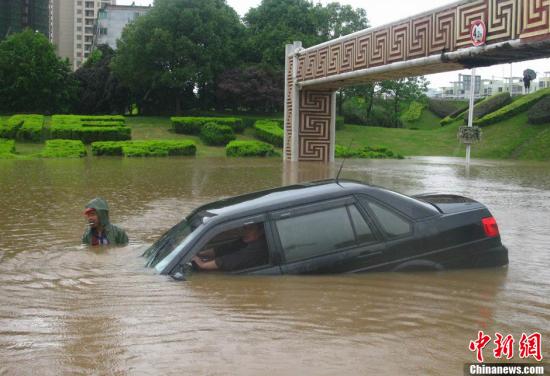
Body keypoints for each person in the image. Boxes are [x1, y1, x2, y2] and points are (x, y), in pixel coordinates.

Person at [192, 223, 268, 271]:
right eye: (244, 228)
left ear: (261, 232)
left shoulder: (259, 246)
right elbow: (226, 248)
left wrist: (202, 265)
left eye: (250, 229)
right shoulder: (248, 240)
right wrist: (199, 254)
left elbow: (233, 260)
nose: (245, 232)